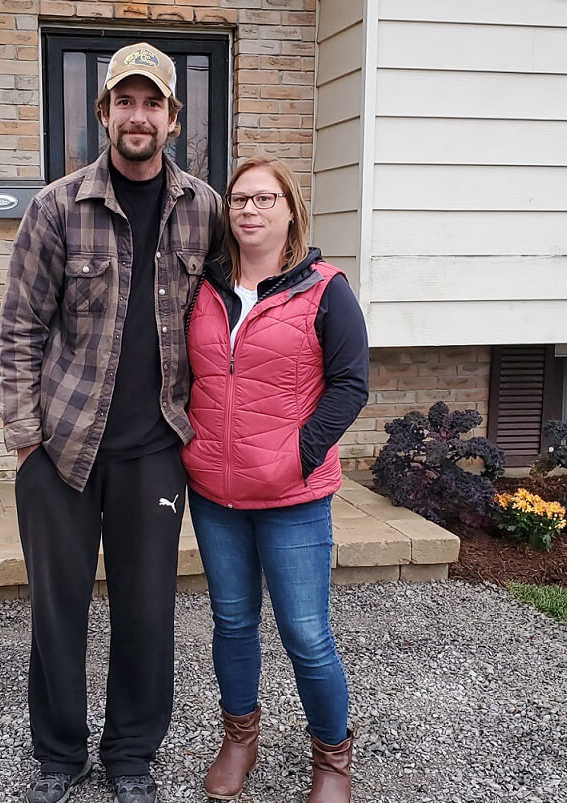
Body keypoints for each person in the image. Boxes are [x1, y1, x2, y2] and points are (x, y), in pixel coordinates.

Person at [0, 42, 222, 803]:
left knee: (146, 611)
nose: (138, 115)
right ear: (104, 114)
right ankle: (59, 755)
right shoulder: (56, 207)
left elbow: (238, 299)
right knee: (56, 609)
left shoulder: (205, 210)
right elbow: (19, 328)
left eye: (151, 103)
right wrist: (25, 438)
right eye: (124, 102)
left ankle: (131, 755)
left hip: (155, 447)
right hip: (61, 447)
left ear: (172, 118)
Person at [181, 156, 369, 803]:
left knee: (306, 634)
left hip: (291, 496)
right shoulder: (202, 287)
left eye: (264, 199)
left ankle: (332, 759)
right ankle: (239, 738)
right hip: (215, 496)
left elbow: (351, 385)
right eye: (239, 199)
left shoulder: (324, 288)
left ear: (290, 209)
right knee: (232, 623)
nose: (249, 210)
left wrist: (300, 455)